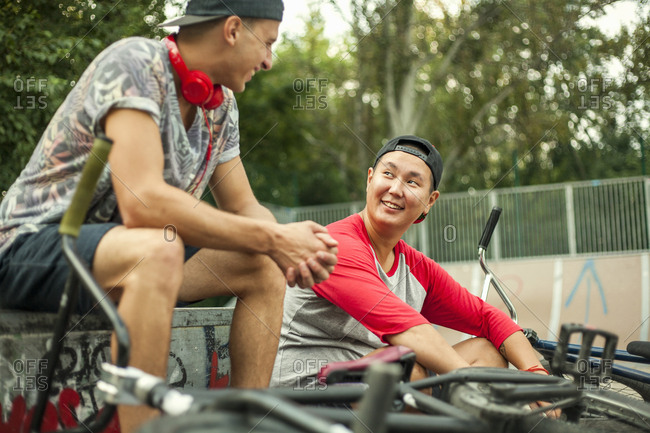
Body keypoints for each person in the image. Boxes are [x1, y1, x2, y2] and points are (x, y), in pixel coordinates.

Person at [0, 1, 338, 431]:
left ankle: (248, 424)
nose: (269, 61)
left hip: (124, 255)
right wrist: (274, 239)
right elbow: (143, 203)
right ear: (232, 30)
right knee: (159, 248)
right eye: (267, 43)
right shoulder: (135, 63)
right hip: (31, 246)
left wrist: (293, 245)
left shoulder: (221, 107)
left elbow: (244, 206)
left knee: (260, 265)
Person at [270, 135, 558, 415]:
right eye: (388, 174)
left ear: (430, 201)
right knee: (406, 370)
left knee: (487, 353)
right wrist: (470, 381)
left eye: (412, 182)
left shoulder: (416, 267)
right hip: (303, 401)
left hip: (367, 390)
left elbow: (488, 318)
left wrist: (535, 373)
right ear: (370, 179)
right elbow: (406, 329)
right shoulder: (337, 245)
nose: (396, 189)